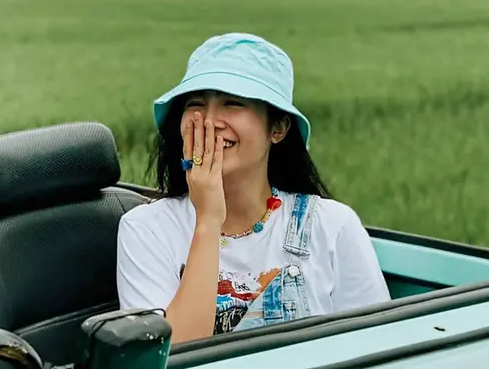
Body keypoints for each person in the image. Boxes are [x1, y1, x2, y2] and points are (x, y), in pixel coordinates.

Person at [115, 32, 390, 344]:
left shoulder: (332, 227)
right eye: (196, 104)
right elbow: (169, 358)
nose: (210, 120)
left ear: (278, 128)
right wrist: (207, 220)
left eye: (233, 103)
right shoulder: (145, 229)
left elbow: (376, 346)